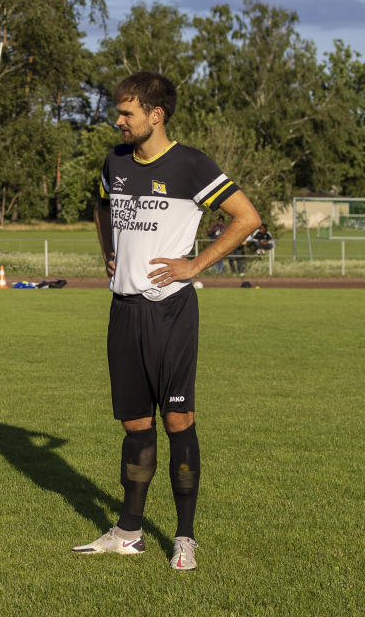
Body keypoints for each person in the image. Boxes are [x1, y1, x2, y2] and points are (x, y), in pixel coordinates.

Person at [82, 72, 260, 571]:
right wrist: (108, 252)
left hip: (171, 312)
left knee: (177, 421)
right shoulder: (114, 161)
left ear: (155, 115)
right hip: (124, 312)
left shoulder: (190, 165)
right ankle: (129, 532)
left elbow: (247, 218)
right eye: (118, 112)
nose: (118, 121)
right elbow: (100, 206)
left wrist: (195, 265)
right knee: (134, 425)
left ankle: (184, 537)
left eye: (127, 114)